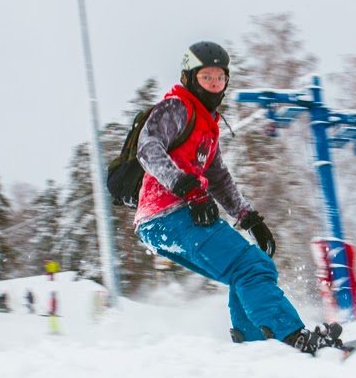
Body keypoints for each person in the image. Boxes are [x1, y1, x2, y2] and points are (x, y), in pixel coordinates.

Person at [133, 41, 340, 354]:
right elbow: (147, 147)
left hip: (164, 220)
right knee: (252, 266)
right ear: (189, 78)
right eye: (206, 77)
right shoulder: (177, 107)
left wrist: (249, 217)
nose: (214, 85)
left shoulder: (207, 124)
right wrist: (186, 187)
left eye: (220, 78)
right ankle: (290, 337)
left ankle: (256, 346)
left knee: (243, 270)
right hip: (169, 213)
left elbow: (218, 178)